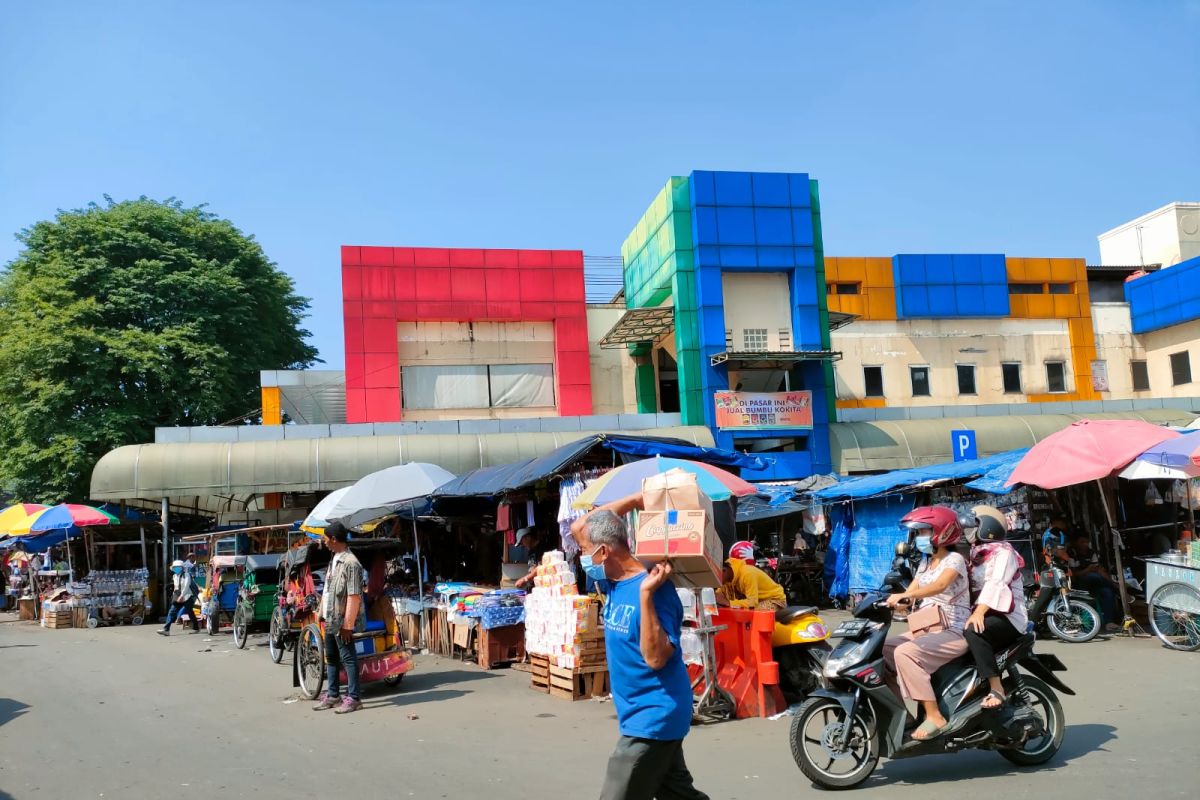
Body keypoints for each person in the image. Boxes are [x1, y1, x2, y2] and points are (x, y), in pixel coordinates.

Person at [571, 495, 709, 800]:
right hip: (639, 713)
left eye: (584, 552)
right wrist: (636, 499)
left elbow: (657, 658)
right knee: (678, 794)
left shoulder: (656, 589)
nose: (582, 557)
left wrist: (646, 596)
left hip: (654, 715)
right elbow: (581, 525)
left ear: (604, 551)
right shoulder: (612, 581)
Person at [882, 506, 971, 741]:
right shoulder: (925, 562)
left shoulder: (955, 559)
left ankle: (934, 716)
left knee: (905, 653)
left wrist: (909, 596)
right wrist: (894, 601)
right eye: (919, 532)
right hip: (926, 629)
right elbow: (911, 593)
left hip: (953, 630)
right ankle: (904, 715)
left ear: (941, 532)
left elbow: (941, 585)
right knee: (882, 652)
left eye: (923, 532)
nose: (920, 537)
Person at [961, 505, 1028, 710]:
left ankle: (996, 687)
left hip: (1008, 618)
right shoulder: (975, 552)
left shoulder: (1004, 552)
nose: (967, 531)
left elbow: (996, 583)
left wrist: (979, 612)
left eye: (973, 526)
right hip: (982, 612)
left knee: (973, 631)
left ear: (987, 527)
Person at [312, 522, 366, 714]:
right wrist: (321, 611)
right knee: (332, 657)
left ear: (334, 539)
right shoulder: (334, 559)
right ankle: (333, 695)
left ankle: (354, 698)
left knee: (348, 658)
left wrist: (347, 625)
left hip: (342, 620)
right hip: (330, 617)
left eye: (326, 539)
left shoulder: (351, 564)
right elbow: (327, 590)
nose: (324, 543)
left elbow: (354, 596)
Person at [1069, 533, 1121, 633]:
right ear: (1076, 543)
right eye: (1082, 542)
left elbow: (1098, 569)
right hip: (1080, 584)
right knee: (1093, 576)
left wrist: (1110, 581)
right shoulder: (1072, 553)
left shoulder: (1091, 552)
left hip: (1095, 583)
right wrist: (1088, 569)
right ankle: (1114, 586)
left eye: (1086, 542)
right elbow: (1075, 574)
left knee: (1108, 592)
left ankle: (1109, 622)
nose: (1085, 544)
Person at [718, 555, 787, 611]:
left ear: (724, 570)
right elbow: (719, 595)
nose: (716, 578)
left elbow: (752, 603)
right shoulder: (727, 579)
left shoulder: (747, 573)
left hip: (774, 601)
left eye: (717, 575)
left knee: (750, 612)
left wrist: (729, 603)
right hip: (758, 601)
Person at [157, 559, 200, 636]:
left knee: (190, 612)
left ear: (182, 568)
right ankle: (166, 629)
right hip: (178, 596)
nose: (176, 569)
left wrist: (182, 596)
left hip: (187, 596)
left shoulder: (186, 575)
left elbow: (186, 586)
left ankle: (196, 628)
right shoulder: (174, 576)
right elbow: (176, 587)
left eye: (178, 567)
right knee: (171, 612)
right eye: (175, 567)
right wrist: (175, 595)